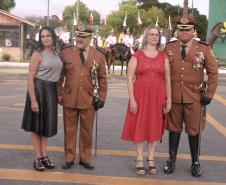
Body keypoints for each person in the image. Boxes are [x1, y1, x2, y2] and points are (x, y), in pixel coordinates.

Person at [164, 17, 218, 177]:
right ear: (177, 31)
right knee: (173, 130)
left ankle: (195, 162)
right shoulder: (168, 48)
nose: (184, 32)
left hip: (195, 97)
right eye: (181, 29)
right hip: (173, 96)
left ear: (194, 31)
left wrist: (209, 94)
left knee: (194, 131)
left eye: (187, 29)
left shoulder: (203, 48)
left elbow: (213, 72)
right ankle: (171, 160)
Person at [121, 25, 171, 175]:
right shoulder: (137, 55)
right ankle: (139, 158)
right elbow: (130, 79)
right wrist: (132, 100)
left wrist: (169, 100)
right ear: (146, 36)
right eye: (151, 34)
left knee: (154, 126)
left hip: (158, 96)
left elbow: (168, 79)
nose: (154, 37)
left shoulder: (164, 56)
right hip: (140, 96)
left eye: (157, 35)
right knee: (140, 126)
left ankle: (151, 158)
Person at [57, 24, 107, 170]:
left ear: (90, 38)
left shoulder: (98, 55)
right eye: (78, 36)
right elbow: (60, 76)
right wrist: (59, 93)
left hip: (89, 99)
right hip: (70, 98)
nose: (79, 39)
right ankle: (69, 158)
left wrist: (102, 98)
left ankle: (85, 158)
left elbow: (102, 78)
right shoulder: (66, 53)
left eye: (83, 37)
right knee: (69, 130)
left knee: (87, 131)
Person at [21, 26, 63, 171]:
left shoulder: (57, 53)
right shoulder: (37, 54)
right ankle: (37, 157)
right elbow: (30, 78)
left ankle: (44, 155)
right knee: (36, 126)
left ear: (53, 37)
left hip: (51, 92)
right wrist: (33, 100)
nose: (45, 38)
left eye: (48, 36)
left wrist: (59, 93)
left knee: (46, 126)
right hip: (38, 90)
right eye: (43, 36)